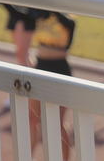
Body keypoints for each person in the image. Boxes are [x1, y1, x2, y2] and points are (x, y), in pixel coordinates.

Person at [29, 10, 75, 159]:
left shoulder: (67, 21)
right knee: (33, 117)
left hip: (59, 70)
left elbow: (68, 33)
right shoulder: (40, 15)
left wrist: (55, 10)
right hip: (40, 67)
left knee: (57, 122)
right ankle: (27, 156)